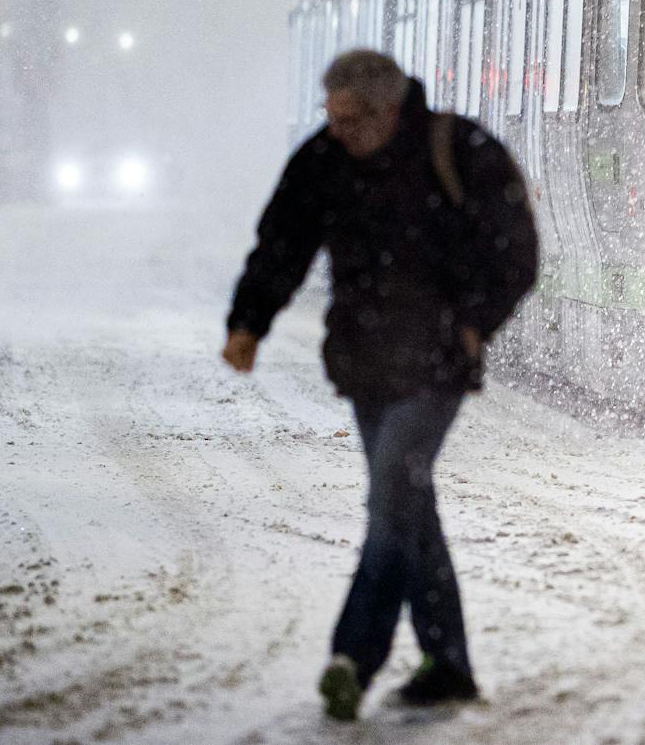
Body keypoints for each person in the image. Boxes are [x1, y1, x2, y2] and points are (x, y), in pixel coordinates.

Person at [223, 49, 538, 721]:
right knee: (408, 502)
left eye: (350, 120)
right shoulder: (326, 158)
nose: (337, 131)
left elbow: (517, 249)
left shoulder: (458, 149)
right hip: (365, 364)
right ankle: (447, 664)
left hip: (436, 366)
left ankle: (353, 656)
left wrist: (475, 321)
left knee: (393, 493)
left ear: (389, 110)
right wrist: (249, 320)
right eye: (330, 117)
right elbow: (283, 242)